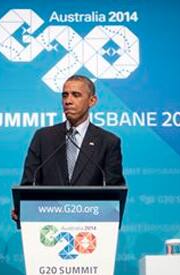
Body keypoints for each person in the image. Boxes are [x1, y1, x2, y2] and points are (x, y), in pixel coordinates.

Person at [11, 75, 125, 221]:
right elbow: (28, 184)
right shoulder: (43, 137)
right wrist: (23, 209)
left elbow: (115, 192)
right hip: (48, 225)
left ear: (92, 101)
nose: (68, 101)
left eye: (76, 95)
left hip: (90, 229)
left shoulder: (108, 141)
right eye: (65, 95)